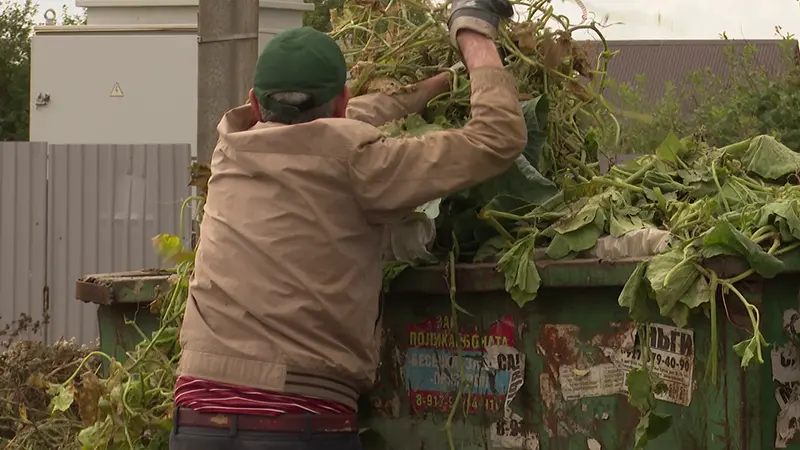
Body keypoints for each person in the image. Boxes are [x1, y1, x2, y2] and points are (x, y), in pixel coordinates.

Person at [169, 0, 526, 447]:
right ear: (341, 100)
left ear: (255, 103)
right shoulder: (360, 163)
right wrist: (473, 37)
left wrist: (438, 83)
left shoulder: (230, 149)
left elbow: (342, 120)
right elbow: (499, 135)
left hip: (197, 420)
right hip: (297, 421)